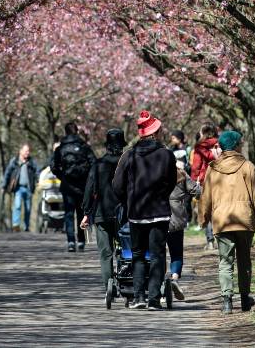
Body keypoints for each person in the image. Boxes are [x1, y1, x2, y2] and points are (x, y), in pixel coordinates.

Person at [113, 110, 177, 310]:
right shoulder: (166, 155)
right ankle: (154, 299)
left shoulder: (129, 155)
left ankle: (138, 297)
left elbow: (117, 185)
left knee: (138, 255)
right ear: (155, 133)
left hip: (137, 213)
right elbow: (172, 182)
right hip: (159, 212)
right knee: (158, 255)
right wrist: (161, 196)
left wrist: (128, 200)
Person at [199, 129, 255, 314]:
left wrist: (204, 219)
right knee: (244, 260)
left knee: (225, 261)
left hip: (222, 221)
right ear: (236, 145)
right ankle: (245, 300)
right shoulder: (247, 166)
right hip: (244, 220)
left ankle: (227, 301)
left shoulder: (212, 169)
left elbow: (205, 198)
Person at [81, 128, 127, 295]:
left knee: (105, 252)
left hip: (102, 213)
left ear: (107, 146)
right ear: (122, 145)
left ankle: (108, 285)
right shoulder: (127, 163)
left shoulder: (98, 165)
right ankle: (126, 280)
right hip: (125, 214)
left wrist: (86, 213)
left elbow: (89, 189)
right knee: (126, 249)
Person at [50, 122, 96, 252]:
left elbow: (53, 166)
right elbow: (94, 163)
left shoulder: (60, 148)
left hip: (67, 186)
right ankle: (81, 241)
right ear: (76, 131)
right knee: (82, 213)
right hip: (82, 187)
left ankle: (71, 242)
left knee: (69, 214)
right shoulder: (84, 147)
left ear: (65, 132)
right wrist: (88, 179)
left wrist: (62, 176)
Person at [167, 153, 202, 301]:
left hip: (155, 218)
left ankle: (160, 287)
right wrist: (199, 185)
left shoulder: (153, 173)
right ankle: (174, 279)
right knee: (176, 253)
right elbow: (197, 191)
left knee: (156, 255)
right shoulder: (180, 174)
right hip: (175, 220)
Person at [191, 124, 220, 247]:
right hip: (220, 180)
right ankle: (220, 238)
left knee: (206, 211)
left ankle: (210, 242)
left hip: (204, 181)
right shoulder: (220, 144)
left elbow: (196, 166)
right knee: (218, 210)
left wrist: (193, 182)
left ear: (203, 133)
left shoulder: (199, 147)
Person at [2, 144, 38, 232]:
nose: (27, 153)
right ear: (20, 151)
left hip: (29, 188)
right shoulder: (14, 161)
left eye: (28, 151)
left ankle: (26, 227)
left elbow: (37, 172)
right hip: (18, 188)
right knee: (17, 206)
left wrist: (39, 180)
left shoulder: (32, 162)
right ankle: (16, 225)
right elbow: (7, 173)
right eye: (26, 151)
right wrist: (4, 186)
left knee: (28, 208)